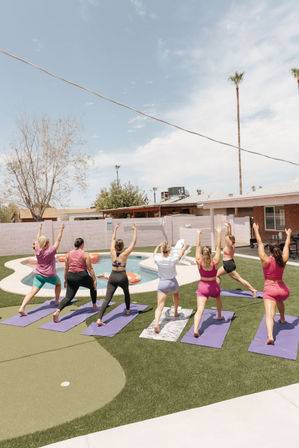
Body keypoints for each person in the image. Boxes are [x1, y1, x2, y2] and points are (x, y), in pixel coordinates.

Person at [253, 223, 291, 344]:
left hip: (270, 290)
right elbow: (287, 245)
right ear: (278, 250)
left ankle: (270, 336)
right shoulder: (283, 259)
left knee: (269, 315)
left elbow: (259, 243)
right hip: (283, 290)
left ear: (269, 249)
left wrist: (256, 230)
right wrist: (289, 234)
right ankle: (283, 319)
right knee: (279, 300)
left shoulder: (265, 259)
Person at [18, 223, 65, 316]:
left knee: (32, 291)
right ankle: (56, 301)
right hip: (50, 275)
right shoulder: (50, 251)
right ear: (47, 244)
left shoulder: (37, 250)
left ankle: (22, 307)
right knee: (58, 284)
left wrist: (39, 229)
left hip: (39, 275)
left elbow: (37, 239)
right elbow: (58, 240)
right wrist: (61, 229)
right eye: (48, 242)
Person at [96, 222, 137, 326]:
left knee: (107, 299)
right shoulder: (125, 254)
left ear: (115, 246)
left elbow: (113, 239)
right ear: (122, 246)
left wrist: (115, 229)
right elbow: (134, 242)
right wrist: (135, 229)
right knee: (126, 293)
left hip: (113, 276)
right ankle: (128, 310)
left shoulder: (112, 251)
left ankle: (99, 319)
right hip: (122, 276)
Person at [52, 237, 98, 322]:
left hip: (71, 276)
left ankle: (57, 312)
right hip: (82, 276)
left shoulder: (68, 254)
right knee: (93, 287)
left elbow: (66, 268)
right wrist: (94, 280)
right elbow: (90, 268)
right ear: (82, 245)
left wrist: (65, 279)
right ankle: (94, 305)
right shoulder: (85, 254)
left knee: (68, 297)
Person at [152, 240, 186, 334]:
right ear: (169, 250)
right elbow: (181, 254)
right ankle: (175, 312)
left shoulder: (158, 259)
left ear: (162, 250)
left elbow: (154, 254)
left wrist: (157, 247)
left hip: (162, 283)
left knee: (160, 306)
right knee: (176, 294)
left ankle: (156, 325)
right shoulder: (172, 259)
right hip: (172, 282)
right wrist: (184, 246)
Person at [194, 227, 222, 337]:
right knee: (218, 298)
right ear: (210, 253)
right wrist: (219, 233)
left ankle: (196, 328)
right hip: (214, 287)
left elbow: (197, 246)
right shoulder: (215, 261)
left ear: (202, 253)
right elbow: (219, 247)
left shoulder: (198, 261)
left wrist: (198, 234)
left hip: (202, 287)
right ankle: (219, 315)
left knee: (200, 309)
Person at [216, 221, 257, 297]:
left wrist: (228, 227)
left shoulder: (230, 246)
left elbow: (226, 236)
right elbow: (228, 235)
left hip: (228, 264)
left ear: (230, 241)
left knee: (239, 279)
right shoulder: (231, 245)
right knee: (217, 275)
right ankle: (217, 289)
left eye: (228, 239)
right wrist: (229, 227)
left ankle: (253, 290)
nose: (226, 239)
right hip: (228, 264)